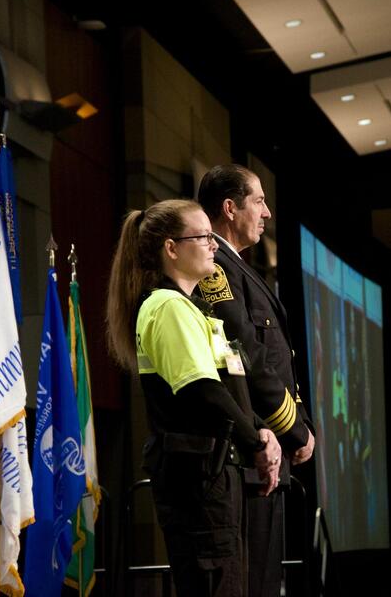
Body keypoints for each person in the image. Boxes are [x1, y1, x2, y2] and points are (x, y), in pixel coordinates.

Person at [106, 199, 283, 597]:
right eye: (202, 236)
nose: (213, 244)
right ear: (171, 248)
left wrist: (261, 431)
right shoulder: (166, 307)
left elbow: (228, 387)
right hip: (200, 483)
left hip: (217, 475)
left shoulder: (193, 309)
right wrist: (256, 443)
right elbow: (201, 390)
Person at [197, 165, 315, 597]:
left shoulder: (239, 268)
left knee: (265, 579)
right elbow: (244, 349)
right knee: (251, 584)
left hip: (266, 451)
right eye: (259, 201)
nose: (267, 212)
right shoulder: (215, 269)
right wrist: (294, 427)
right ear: (230, 208)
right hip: (250, 454)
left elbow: (276, 357)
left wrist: (299, 421)